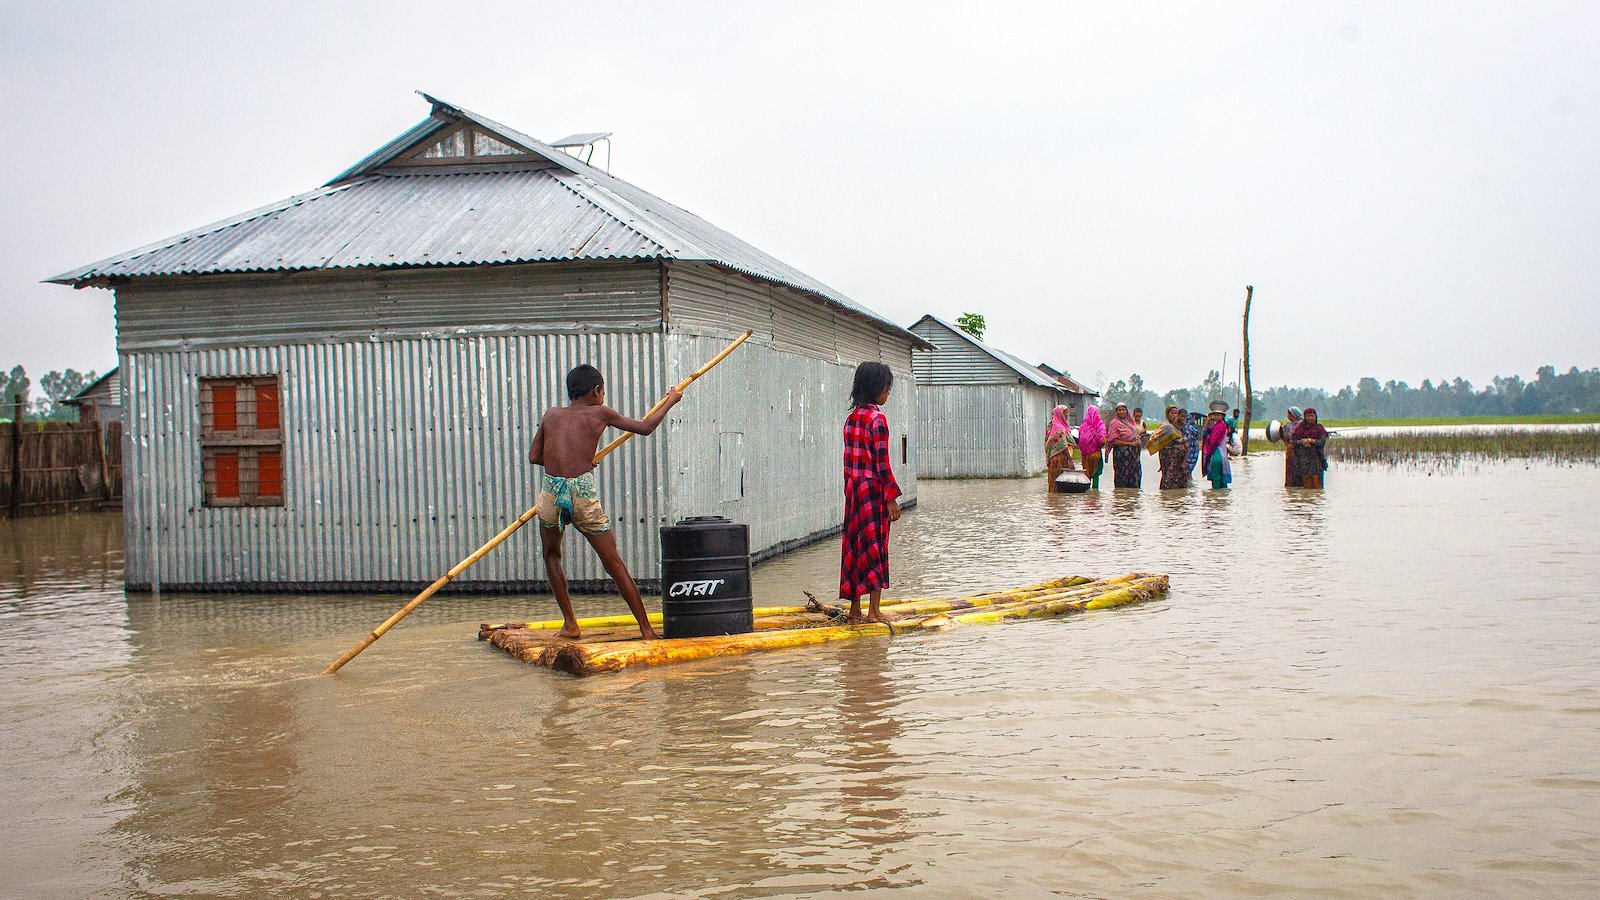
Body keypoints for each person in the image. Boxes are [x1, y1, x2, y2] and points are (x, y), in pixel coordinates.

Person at [528, 363, 682, 639]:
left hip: (551, 491)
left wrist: (573, 460)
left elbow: (534, 457)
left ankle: (570, 625)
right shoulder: (601, 412)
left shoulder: (551, 415)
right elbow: (645, 427)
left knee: (551, 555)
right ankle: (646, 630)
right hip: (581, 493)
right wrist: (670, 400)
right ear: (596, 390)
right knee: (613, 561)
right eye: (603, 391)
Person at [840, 362, 903, 626]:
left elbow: (849, 462)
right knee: (876, 547)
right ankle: (874, 611)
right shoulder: (878, 420)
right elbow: (882, 462)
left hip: (854, 492)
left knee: (855, 548)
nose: (888, 394)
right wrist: (891, 498)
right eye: (887, 389)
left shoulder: (851, 418)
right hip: (873, 493)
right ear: (876, 388)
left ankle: (855, 610)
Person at [1289, 407, 1329, 489]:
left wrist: (1311, 441)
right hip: (1303, 462)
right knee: (1306, 485)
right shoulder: (1299, 428)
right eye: (1308, 416)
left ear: (1315, 417)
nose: (1310, 418)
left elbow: (1322, 442)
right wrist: (1302, 442)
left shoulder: (1320, 428)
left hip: (1317, 461)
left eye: (1312, 416)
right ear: (1305, 417)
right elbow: (1294, 441)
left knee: (1317, 486)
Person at [1107, 402, 1143, 489]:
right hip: (1121, 454)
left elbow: (1135, 435)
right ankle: (1121, 498)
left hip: (1133, 455)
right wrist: (1129, 443)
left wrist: (1137, 442)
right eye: (1119, 410)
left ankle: (1132, 499)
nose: (1121, 412)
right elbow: (1112, 440)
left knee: (1135, 477)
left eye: (1123, 410)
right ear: (1116, 412)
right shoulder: (1114, 423)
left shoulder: (1130, 423)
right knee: (1122, 477)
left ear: (1127, 411)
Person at [1043, 404, 1077, 493]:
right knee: (1060, 484)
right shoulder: (1059, 428)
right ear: (1060, 413)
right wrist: (1070, 460)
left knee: (1053, 483)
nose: (1067, 415)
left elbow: (1047, 442)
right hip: (1060, 459)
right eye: (1066, 413)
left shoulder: (1051, 426)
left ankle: (1052, 503)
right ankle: (1058, 504)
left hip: (1053, 458)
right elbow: (1063, 445)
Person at [1156, 405, 1191, 489]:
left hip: (1178, 459)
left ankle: (1176, 499)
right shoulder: (1166, 426)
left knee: (1179, 480)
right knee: (1169, 479)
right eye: (1172, 413)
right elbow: (1176, 440)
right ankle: (1167, 498)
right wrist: (1184, 439)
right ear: (1167, 414)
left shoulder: (1176, 426)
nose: (1174, 415)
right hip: (1169, 457)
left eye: (1176, 413)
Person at [1201, 407, 1232, 490]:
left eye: (1218, 415)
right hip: (1222, 454)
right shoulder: (1218, 425)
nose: (1216, 417)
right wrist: (1207, 420)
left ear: (1222, 416)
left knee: (1216, 478)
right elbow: (1205, 431)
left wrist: (1207, 438)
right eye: (1214, 415)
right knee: (1222, 479)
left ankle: (1216, 498)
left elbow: (1212, 440)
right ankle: (1221, 499)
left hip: (1217, 454)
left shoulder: (1220, 426)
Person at [1077, 406, 1106, 489]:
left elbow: (1080, 440)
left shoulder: (1083, 426)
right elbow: (1102, 439)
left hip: (1085, 454)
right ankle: (1095, 494)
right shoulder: (1099, 424)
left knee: (1087, 474)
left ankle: (1087, 492)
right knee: (1096, 474)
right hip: (1096, 453)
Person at [1282, 406, 1303, 488]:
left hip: (1300, 450)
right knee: (1291, 470)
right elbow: (1286, 439)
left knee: (1299, 469)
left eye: (1290, 415)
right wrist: (1283, 431)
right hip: (1290, 450)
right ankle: (1291, 486)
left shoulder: (1302, 424)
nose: (1289, 417)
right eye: (1288, 415)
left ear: (1295, 415)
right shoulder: (1288, 425)